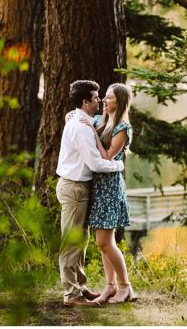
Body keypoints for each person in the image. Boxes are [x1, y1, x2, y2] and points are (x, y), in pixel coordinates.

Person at [55, 79, 125, 307]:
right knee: (71, 242)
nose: (99, 100)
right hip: (74, 188)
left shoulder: (79, 119)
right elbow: (95, 164)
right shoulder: (81, 127)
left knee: (81, 240)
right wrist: (118, 165)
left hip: (79, 188)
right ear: (86, 102)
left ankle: (80, 286)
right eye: (95, 98)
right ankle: (71, 295)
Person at [79, 83, 138, 305]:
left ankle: (125, 287)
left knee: (105, 242)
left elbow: (106, 157)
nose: (104, 100)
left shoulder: (122, 128)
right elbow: (79, 121)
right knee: (103, 243)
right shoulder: (99, 120)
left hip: (110, 188)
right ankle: (109, 287)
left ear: (120, 102)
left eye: (109, 97)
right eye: (104, 96)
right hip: (97, 186)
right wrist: (70, 117)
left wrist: (94, 135)